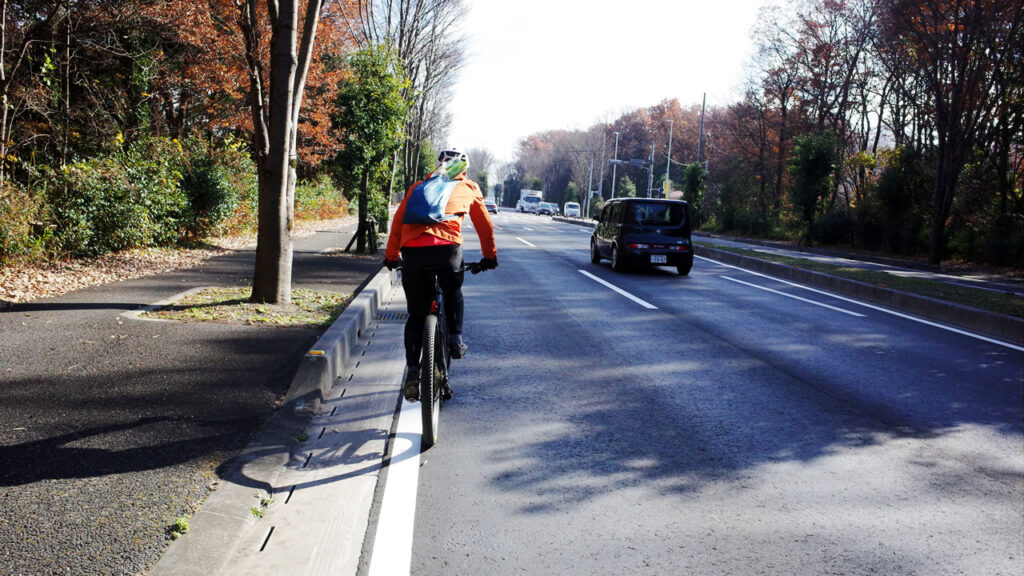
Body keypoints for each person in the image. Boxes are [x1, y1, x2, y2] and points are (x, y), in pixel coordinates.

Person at [384, 148, 498, 401]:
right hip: (448, 251)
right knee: (452, 290)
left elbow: (398, 224)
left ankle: (413, 370)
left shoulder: (418, 187)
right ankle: (456, 339)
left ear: (437, 167)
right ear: (464, 170)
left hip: (413, 253)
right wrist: (490, 256)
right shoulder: (468, 187)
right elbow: (484, 225)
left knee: (416, 314)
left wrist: (391, 257)